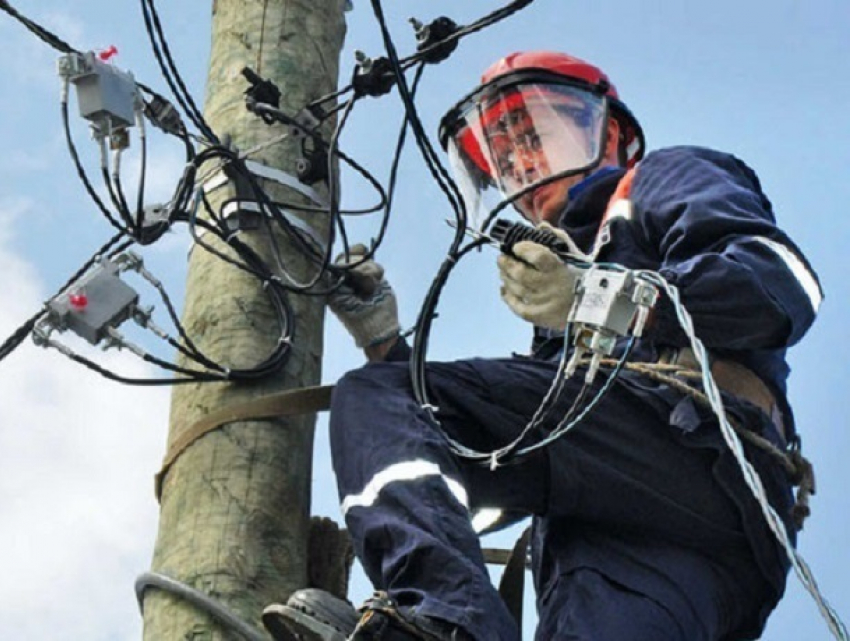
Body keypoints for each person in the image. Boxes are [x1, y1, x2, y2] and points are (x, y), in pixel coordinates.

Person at [263, 51, 822, 641]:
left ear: (604, 131)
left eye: (533, 134)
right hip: (639, 548)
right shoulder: (560, 304)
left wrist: (597, 295)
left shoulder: (661, 180)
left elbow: (779, 287)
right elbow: (478, 453)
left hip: (699, 453)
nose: (520, 165)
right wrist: (384, 340)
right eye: (502, 159)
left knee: (379, 398)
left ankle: (450, 622)